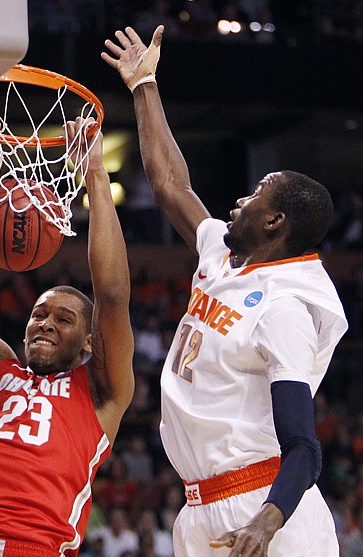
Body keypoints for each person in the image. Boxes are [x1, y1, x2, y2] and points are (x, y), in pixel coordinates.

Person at [102, 25, 348, 557]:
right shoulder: (224, 255)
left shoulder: (285, 309)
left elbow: (303, 447)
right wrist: (145, 85)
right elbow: (172, 185)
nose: (241, 198)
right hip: (198, 508)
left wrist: (268, 522)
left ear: (275, 221)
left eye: (258, 193)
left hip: (264, 506)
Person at [0, 114, 134, 556]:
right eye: (39, 314)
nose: (46, 322)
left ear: (89, 340)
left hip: (32, 548)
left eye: (64, 318)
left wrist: (93, 174)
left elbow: (111, 293)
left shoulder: (100, 392)